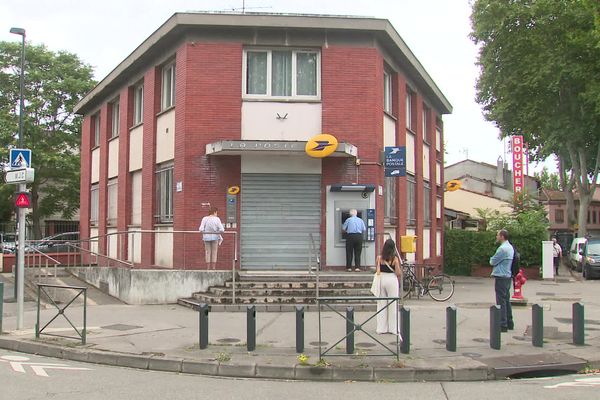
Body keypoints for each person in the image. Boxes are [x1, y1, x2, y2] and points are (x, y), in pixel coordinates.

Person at [375, 239, 403, 335]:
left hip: (381, 279)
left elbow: (377, 269)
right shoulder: (394, 259)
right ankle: (393, 328)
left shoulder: (379, 258)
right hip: (391, 280)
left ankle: (381, 328)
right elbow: (398, 273)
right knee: (393, 304)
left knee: (381, 304)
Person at [489, 229, 515, 332]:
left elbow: (492, 261)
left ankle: (502, 324)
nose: (496, 237)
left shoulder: (502, 249)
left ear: (502, 236)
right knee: (506, 300)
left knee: (501, 301)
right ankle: (509, 322)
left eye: (497, 235)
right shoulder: (510, 247)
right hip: (507, 275)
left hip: (501, 276)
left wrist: (491, 259)